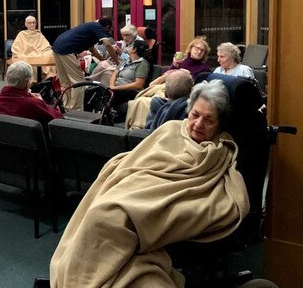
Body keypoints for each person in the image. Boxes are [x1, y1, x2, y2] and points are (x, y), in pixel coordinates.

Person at [50, 79, 249, 287]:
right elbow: (137, 160)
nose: (198, 124)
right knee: (98, 210)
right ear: (188, 111)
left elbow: (205, 184)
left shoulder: (217, 151)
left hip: (156, 199)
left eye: (209, 120)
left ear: (219, 124)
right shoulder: (171, 129)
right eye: (195, 115)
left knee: (109, 215)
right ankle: (82, 276)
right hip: (136, 184)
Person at [51, 17, 118, 110]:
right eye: (111, 28)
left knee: (66, 82)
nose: (111, 31)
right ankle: (76, 110)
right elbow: (107, 44)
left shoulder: (91, 28)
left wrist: (103, 61)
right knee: (78, 81)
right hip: (66, 49)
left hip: (56, 46)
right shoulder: (97, 27)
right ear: (107, 27)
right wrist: (118, 62)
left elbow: (92, 50)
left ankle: (67, 107)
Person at [0, 61, 63, 125]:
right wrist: (42, 103)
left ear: (7, 79)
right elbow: (59, 120)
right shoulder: (34, 105)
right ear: (28, 83)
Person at [108, 40, 151, 108]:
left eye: (130, 46)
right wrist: (111, 86)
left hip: (131, 91)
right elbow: (114, 74)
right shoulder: (126, 60)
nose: (127, 47)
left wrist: (116, 88)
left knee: (111, 95)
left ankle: (107, 116)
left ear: (134, 50)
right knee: (98, 90)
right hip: (117, 88)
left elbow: (138, 85)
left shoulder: (142, 63)